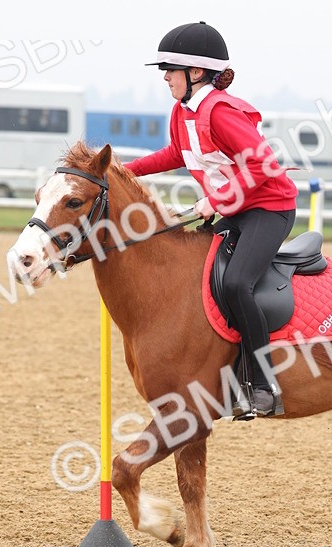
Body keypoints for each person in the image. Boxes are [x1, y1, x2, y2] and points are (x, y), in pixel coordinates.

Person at [123, 21, 298, 418]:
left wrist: (216, 199)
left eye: (170, 69)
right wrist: (123, 171)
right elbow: (174, 155)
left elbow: (263, 164)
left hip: (268, 209)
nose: (165, 77)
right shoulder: (181, 112)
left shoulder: (220, 112)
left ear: (196, 73)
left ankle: (262, 384)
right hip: (234, 210)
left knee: (237, 283)